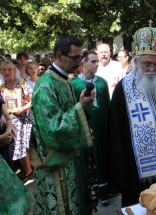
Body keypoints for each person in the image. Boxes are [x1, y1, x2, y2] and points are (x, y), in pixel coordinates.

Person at [105, 26, 156, 207]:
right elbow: (115, 132)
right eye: (147, 63)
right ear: (136, 62)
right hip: (136, 171)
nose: (152, 68)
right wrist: (121, 173)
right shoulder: (123, 88)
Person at [30, 35, 95, 214]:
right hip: (56, 164)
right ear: (59, 55)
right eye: (75, 58)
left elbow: (65, 115)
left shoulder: (64, 80)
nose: (79, 62)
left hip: (70, 159)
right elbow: (53, 129)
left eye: (80, 57)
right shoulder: (45, 86)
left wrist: (83, 128)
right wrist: (81, 106)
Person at [71, 52, 110, 204]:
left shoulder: (102, 82)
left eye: (97, 61)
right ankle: (89, 191)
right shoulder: (74, 83)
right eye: (93, 61)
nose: (96, 64)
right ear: (84, 63)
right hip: (85, 124)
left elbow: (106, 104)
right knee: (87, 156)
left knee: (101, 155)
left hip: (100, 125)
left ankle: (104, 191)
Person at [1, 60, 33, 182]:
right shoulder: (1, 87)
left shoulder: (22, 84)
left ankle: (28, 172)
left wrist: (22, 108)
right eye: (4, 70)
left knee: (20, 147)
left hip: (23, 121)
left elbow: (33, 101)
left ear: (15, 72)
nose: (7, 72)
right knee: (13, 148)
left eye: (10, 70)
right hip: (9, 122)